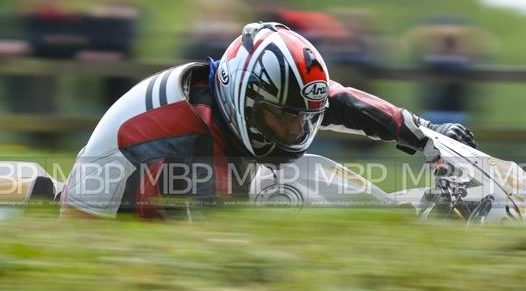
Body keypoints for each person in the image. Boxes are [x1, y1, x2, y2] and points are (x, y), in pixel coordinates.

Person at [60, 22, 476, 219]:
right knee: (291, 186)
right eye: (285, 120)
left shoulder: (248, 95)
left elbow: (342, 101)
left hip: (193, 194)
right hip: (117, 222)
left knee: (297, 174)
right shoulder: (176, 143)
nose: (297, 131)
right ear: (246, 100)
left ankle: (398, 215)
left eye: (303, 120)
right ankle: (399, 220)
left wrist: (426, 134)